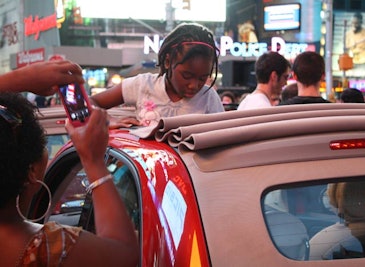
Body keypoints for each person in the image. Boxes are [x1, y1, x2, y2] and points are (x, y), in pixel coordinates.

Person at [0, 63, 139, 266]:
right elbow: (124, 252)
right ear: (32, 172)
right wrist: (93, 161)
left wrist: (16, 79)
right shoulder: (46, 248)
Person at [90, 22, 224, 127]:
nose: (194, 85)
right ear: (167, 62)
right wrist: (107, 120)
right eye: (187, 76)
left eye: (202, 78)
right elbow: (90, 102)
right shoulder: (142, 85)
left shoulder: (209, 98)